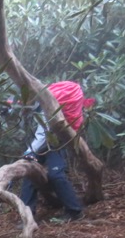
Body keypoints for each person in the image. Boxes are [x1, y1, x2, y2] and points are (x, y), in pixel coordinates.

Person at [19, 81, 93, 223]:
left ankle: (75, 211)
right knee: (29, 171)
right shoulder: (36, 102)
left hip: (56, 143)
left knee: (55, 174)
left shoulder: (47, 104)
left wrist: (28, 153)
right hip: (43, 143)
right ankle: (27, 217)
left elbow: (43, 134)